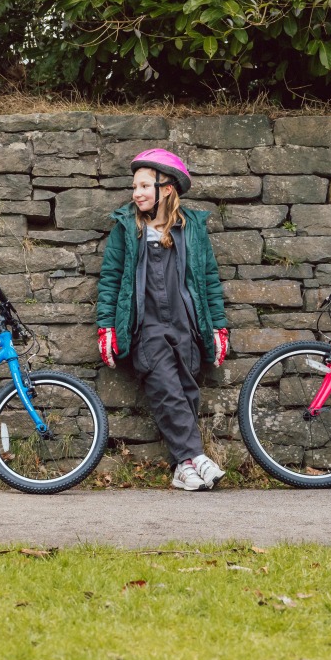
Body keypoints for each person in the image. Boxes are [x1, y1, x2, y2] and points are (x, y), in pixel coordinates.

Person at [96, 149, 230, 492]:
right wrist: (107, 327)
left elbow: (208, 280)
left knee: (185, 390)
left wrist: (218, 327)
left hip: (186, 322)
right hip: (146, 326)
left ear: (166, 189)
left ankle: (182, 468)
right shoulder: (127, 228)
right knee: (166, 387)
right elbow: (111, 279)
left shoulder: (192, 230)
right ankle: (197, 457)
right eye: (134, 186)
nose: (136, 192)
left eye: (144, 185)